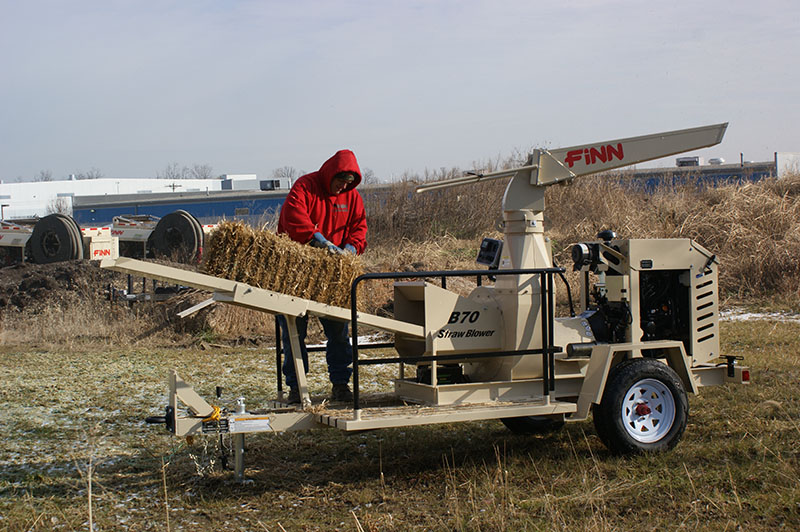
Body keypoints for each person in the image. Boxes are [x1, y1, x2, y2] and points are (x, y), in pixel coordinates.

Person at [276, 149, 367, 404]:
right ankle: (296, 388)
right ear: (330, 174)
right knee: (294, 333)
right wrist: (321, 242)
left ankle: (340, 384)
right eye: (340, 182)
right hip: (297, 271)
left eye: (348, 184)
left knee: (339, 333)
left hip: (334, 277)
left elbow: (360, 227)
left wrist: (350, 248)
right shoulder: (305, 187)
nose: (342, 188)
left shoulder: (352, 197)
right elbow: (294, 217)